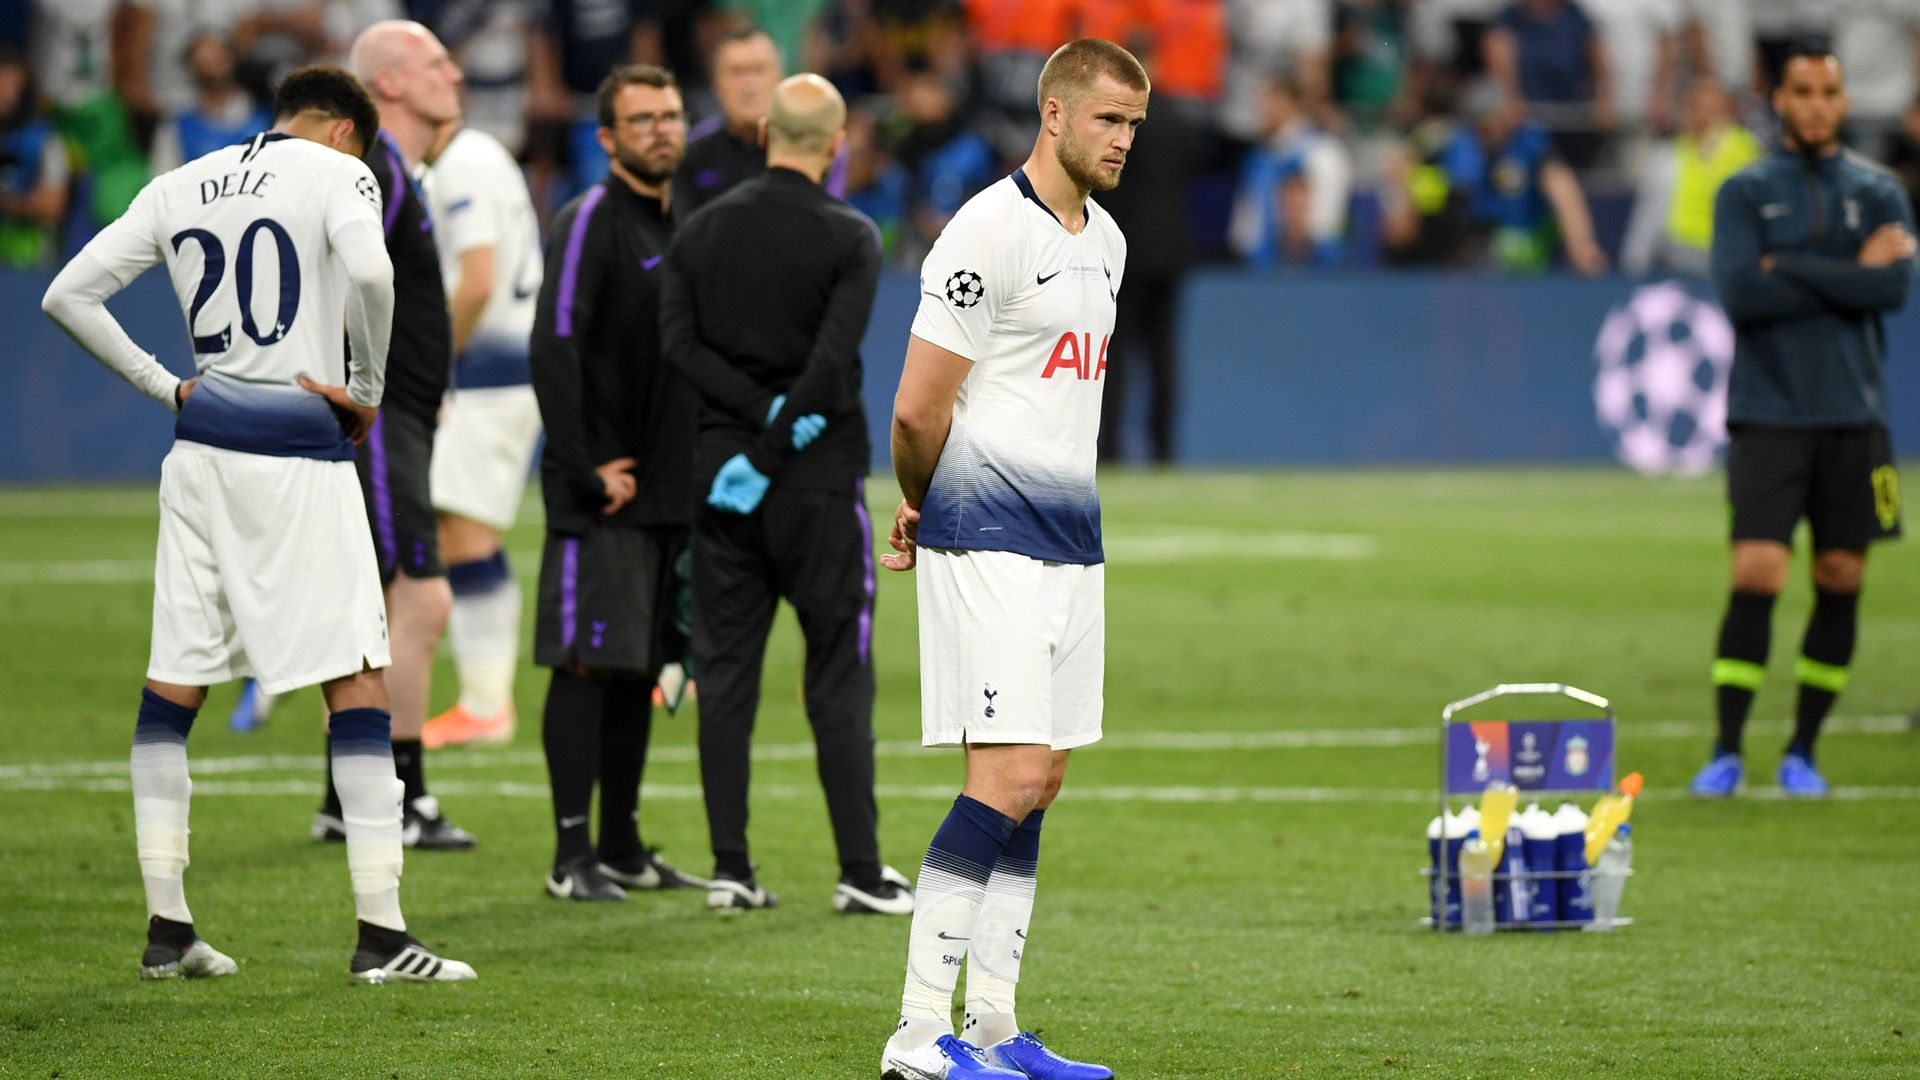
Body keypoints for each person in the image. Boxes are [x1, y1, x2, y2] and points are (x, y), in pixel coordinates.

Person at [40, 64, 474, 984]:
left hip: (198, 457)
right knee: (357, 677)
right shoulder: (340, 173)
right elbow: (370, 269)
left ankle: (168, 929)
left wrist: (166, 385)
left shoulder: (182, 181)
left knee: (174, 684)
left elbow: (66, 295)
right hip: (299, 456)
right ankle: (383, 937)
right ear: (348, 131)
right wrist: (366, 390)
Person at [875, 36, 1147, 1080]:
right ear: (1054, 114)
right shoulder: (985, 231)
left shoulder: (1109, 242)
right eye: (1109, 120)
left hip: (1072, 541)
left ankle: (991, 1025)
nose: (1124, 139)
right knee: (1006, 772)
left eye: (1134, 123)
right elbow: (914, 406)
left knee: (1045, 779)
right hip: (988, 537)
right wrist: (924, 502)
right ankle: (915, 1034)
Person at [660, 72, 911, 918]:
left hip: (724, 485)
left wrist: (750, 427)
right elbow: (832, 366)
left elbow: (679, 346)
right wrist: (779, 436)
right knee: (838, 675)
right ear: (838, 143)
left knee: (724, 676)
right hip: (815, 482)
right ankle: (861, 870)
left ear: (765, 131)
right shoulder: (852, 235)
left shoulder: (699, 230)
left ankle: (732, 869)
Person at [1692, 40, 1912, 800]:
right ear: (1778, 99)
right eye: (1803, 91)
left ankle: (1804, 750)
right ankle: (1726, 747)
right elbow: (1741, 296)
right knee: (1757, 573)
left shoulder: (1880, 192)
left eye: (1829, 91)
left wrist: (1788, 267)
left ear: (1844, 101)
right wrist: (1854, 272)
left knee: (1841, 575)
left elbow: (1894, 295)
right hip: (1769, 411)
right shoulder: (1744, 192)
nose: (1817, 104)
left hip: (1856, 416)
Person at [529, 62, 707, 901]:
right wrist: (582, 463)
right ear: (607, 138)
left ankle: (624, 846)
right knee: (586, 666)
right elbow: (553, 343)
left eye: (670, 115)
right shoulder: (590, 219)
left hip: (666, 492)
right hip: (603, 492)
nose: (660, 130)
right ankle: (571, 856)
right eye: (641, 120)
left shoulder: (681, 223)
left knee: (637, 665)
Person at [307, 19, 474, 849]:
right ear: (394, 84)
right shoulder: (375, 170)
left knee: (375, 602)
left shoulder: (398, 170)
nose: (457, 73)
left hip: (397, 412)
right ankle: (396, 794)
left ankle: (350, 794)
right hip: (378, 417)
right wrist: (368, 387)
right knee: (417, 595)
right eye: (438, 62)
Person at [417, 114, 546, 751]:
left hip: (488, 375)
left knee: (464, 529)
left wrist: (431, 368)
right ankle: (483, 701)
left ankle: (486, 705)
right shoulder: (482, 154)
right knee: (460, 527)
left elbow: (477, 279)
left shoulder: (461, 164)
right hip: (506, 370)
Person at [1620, 79, 1762, 279]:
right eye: (1697, 109)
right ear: (1685, 113)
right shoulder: (1667, 156)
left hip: (1730, 262)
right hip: (1677, 260)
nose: (1704, 118)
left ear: (1729, 114)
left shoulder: (1747, 153)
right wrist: (1634, 265)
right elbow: (1647, 217)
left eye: (1714, 111)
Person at [670, 26, 781, 221]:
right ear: (715, 84)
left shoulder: (806, 149)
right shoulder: (688, 154)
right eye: (736, 72)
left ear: (779, 79)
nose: (748, 85)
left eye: (759, 70)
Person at [149, 33, 274, 173]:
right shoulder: (177, 124)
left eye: (218, 59)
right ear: (191, 69)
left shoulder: (265, 116)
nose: (212, 69)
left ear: (232, 59)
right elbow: (163, 176)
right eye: (202, 62)